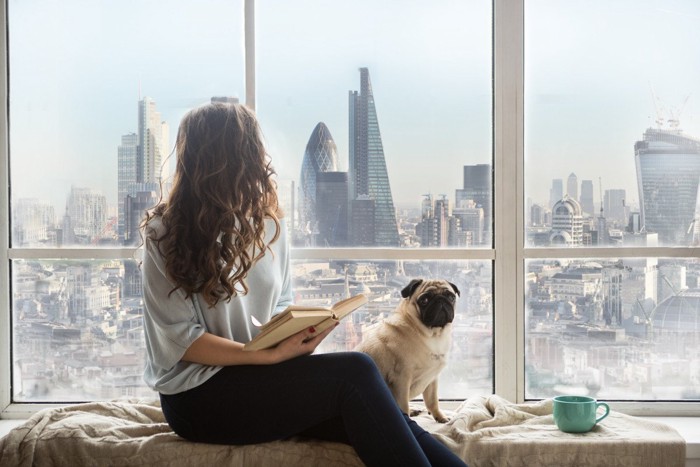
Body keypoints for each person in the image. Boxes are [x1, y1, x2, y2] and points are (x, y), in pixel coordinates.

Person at [140, 101, 467, 467]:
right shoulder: (164, 233)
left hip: (263, 377)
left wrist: (299, 337)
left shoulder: (267, 225)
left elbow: (281, 305)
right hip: (198, 397)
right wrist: (264, 356)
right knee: (357, 372)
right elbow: (180, 339)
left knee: (385, 417)